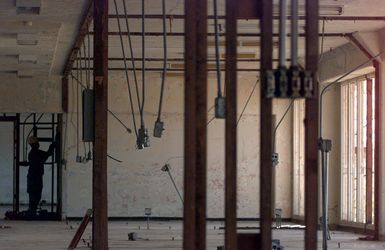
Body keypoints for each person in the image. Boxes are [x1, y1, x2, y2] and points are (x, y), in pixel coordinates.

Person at [26, 136, 55, 212]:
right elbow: (47, 155)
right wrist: (52, 146)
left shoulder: (34, 153)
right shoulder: (35, 153)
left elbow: (46, 155)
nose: (38, 144)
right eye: (37, 143)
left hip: (34, 177)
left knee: (34, 194)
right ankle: (32, 210)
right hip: (35, 177)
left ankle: (32, 210)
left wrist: (51, 147)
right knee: (35, 194)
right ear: (34, 144)